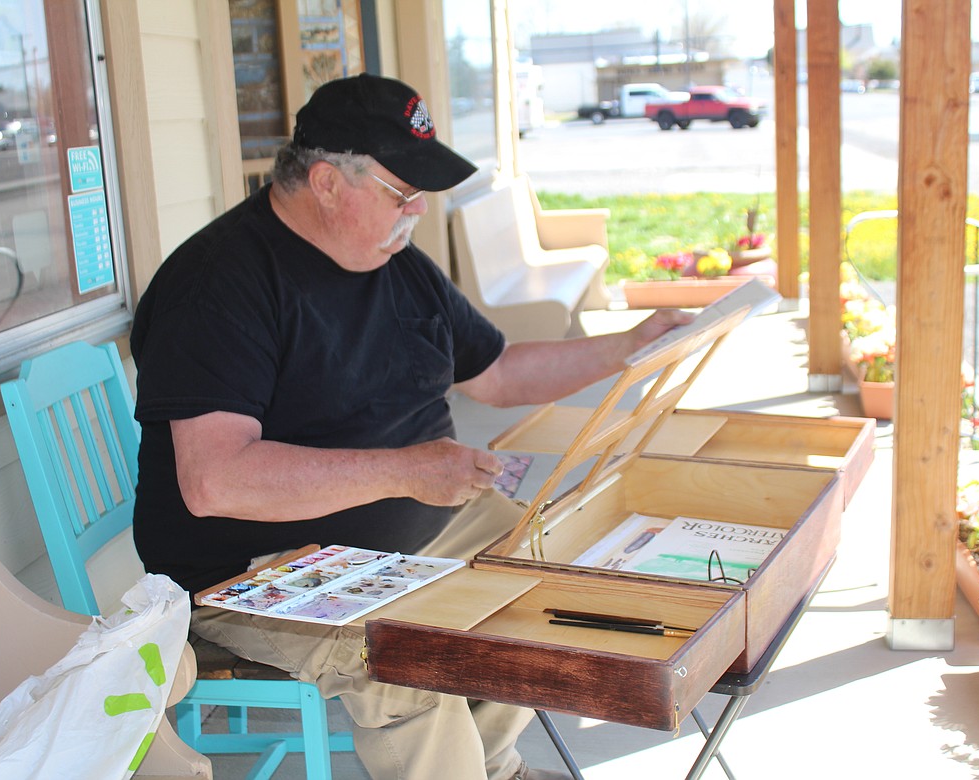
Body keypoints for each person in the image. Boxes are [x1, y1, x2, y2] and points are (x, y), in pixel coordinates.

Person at [130, 73, 692, 780]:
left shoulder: (393, 262)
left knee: (534, 567)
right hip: (257, 570)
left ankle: (493, 766)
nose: (418, 212)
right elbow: (215, 480)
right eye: (403, 193)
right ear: (329, 183)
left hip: (412, 534)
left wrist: (628, 347)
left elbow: (499, 374)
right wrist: (404, 469)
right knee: (405, 656)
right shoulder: (220, 283)